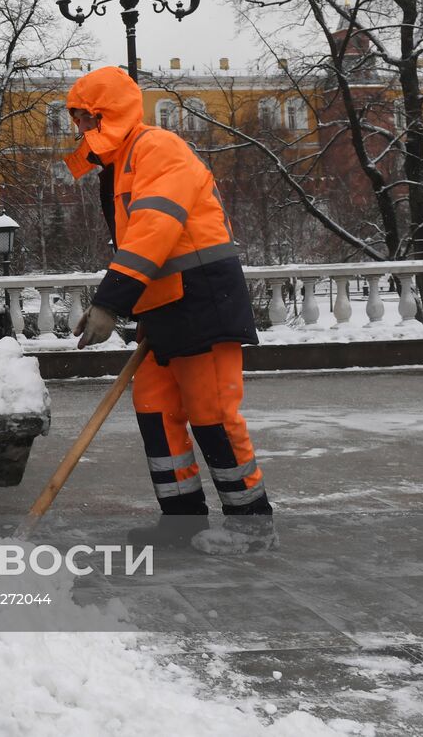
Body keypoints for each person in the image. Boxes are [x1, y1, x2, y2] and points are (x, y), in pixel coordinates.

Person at [63, 67, 274, 553]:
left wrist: (109, 303)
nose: (77, 130)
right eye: (74, 119)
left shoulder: (157, 148)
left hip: (202, 298)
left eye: (83, 118)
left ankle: (252, 527)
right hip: (163, 305)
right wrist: (124, 302)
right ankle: (183, 523)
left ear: (105, 114)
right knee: (155, 409)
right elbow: (138, 243)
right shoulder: (118, 165)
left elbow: (153, 230)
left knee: (212, 413)